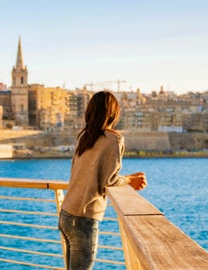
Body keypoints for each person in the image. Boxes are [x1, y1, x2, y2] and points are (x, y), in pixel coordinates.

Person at [58, 91, 147, 269]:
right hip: (83, 218)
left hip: (67, 214)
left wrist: (128, 178)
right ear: (113, 114)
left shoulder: (84, 137)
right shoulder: (114, 139)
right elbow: (109, 181)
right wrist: (130, 180)